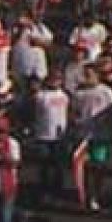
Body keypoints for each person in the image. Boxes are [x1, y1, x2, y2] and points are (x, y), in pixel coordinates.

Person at [70, 64, 112, 212]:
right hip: (83, 135)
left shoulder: (106, 92)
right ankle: (83, 197)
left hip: (101, 135)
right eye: (86, 74)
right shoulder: (79, 93)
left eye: (90, 74)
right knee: (81, 165)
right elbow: (73, 111)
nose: (87, 77)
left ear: (98, 75)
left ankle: (95, 195)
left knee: (98, 167)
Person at [30, 73, 69, 207]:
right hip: (43, 134)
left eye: (58, 79)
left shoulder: (64, 96)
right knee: (44, 165)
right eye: (53, 79)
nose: (55, 82)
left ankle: (57, 190)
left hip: (60, 135)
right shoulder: (41, 96)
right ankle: (44, 191)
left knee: (59, 164)